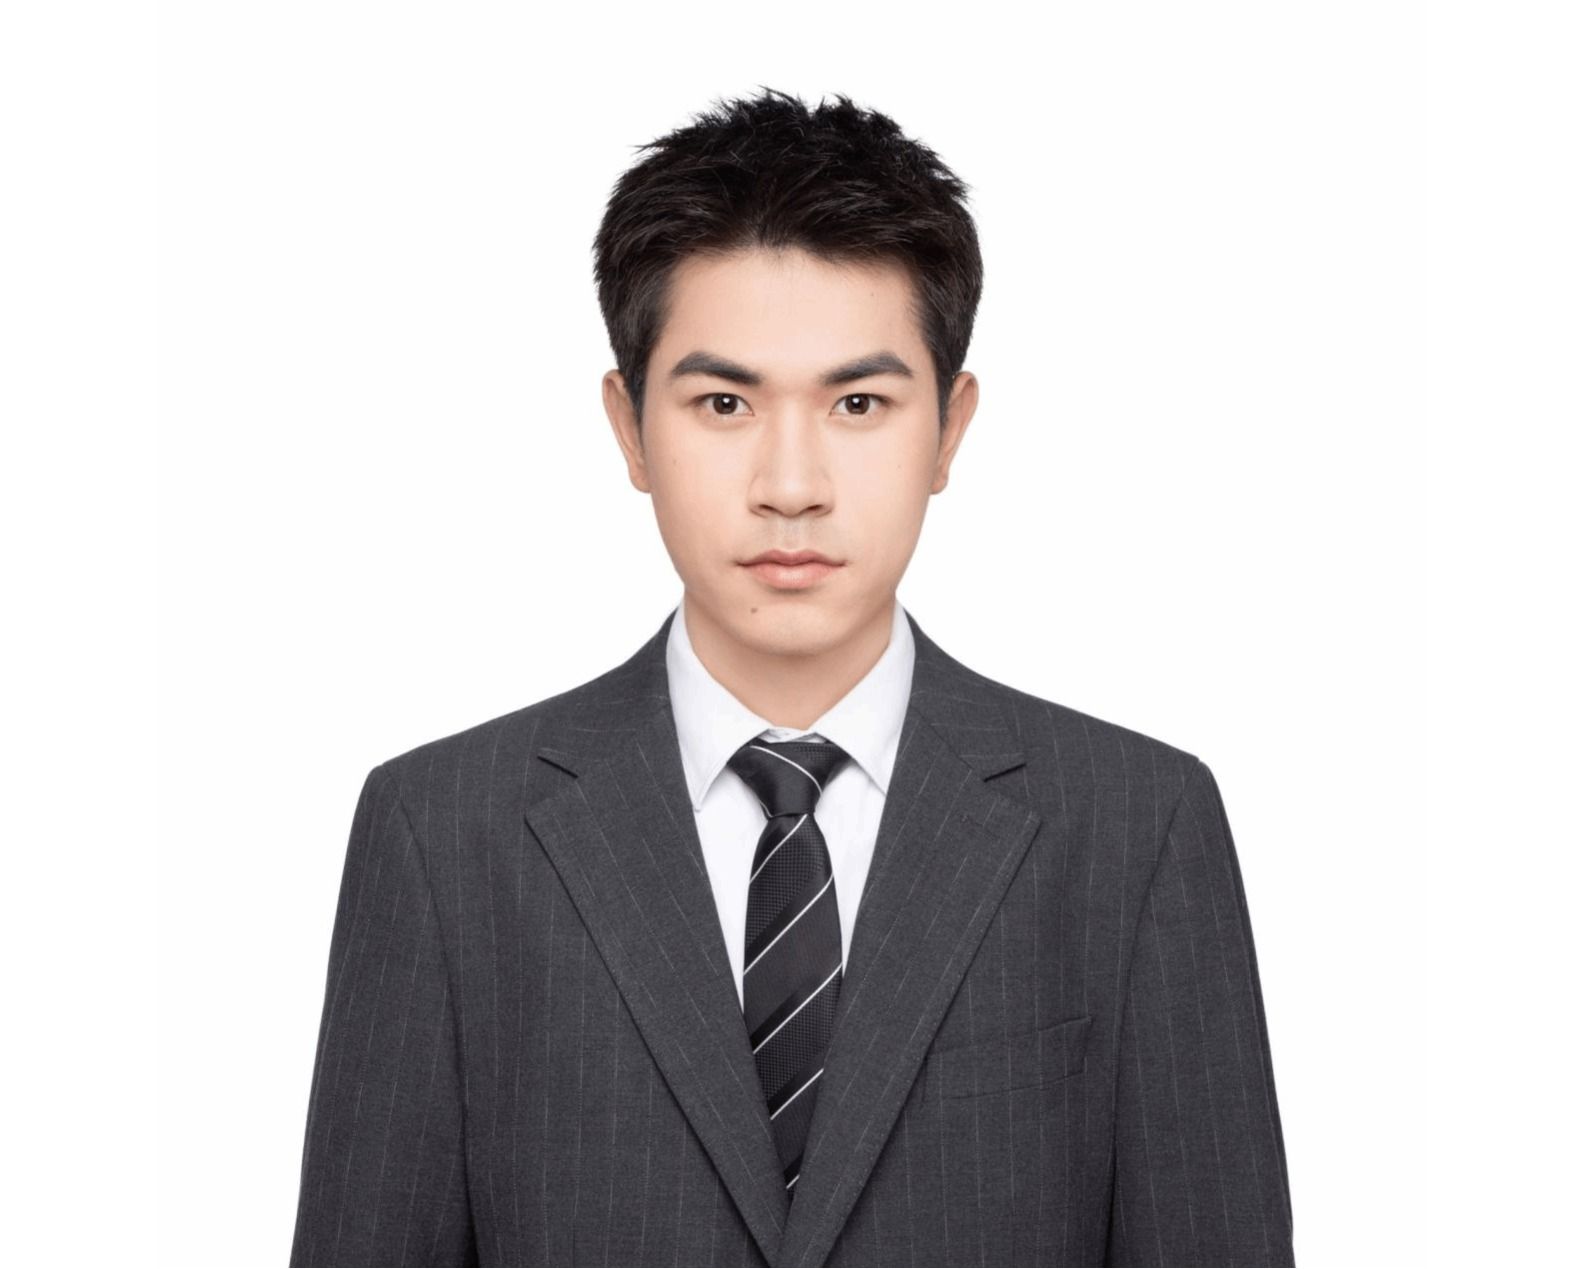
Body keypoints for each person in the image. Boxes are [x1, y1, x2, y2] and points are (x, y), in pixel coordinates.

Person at [289, 86, 1294, 1268]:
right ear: (630, 427)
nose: (791, 486)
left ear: (949, 429)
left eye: (859, 403)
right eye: (723, 403)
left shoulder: (1134, 827)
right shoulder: (444, 835)